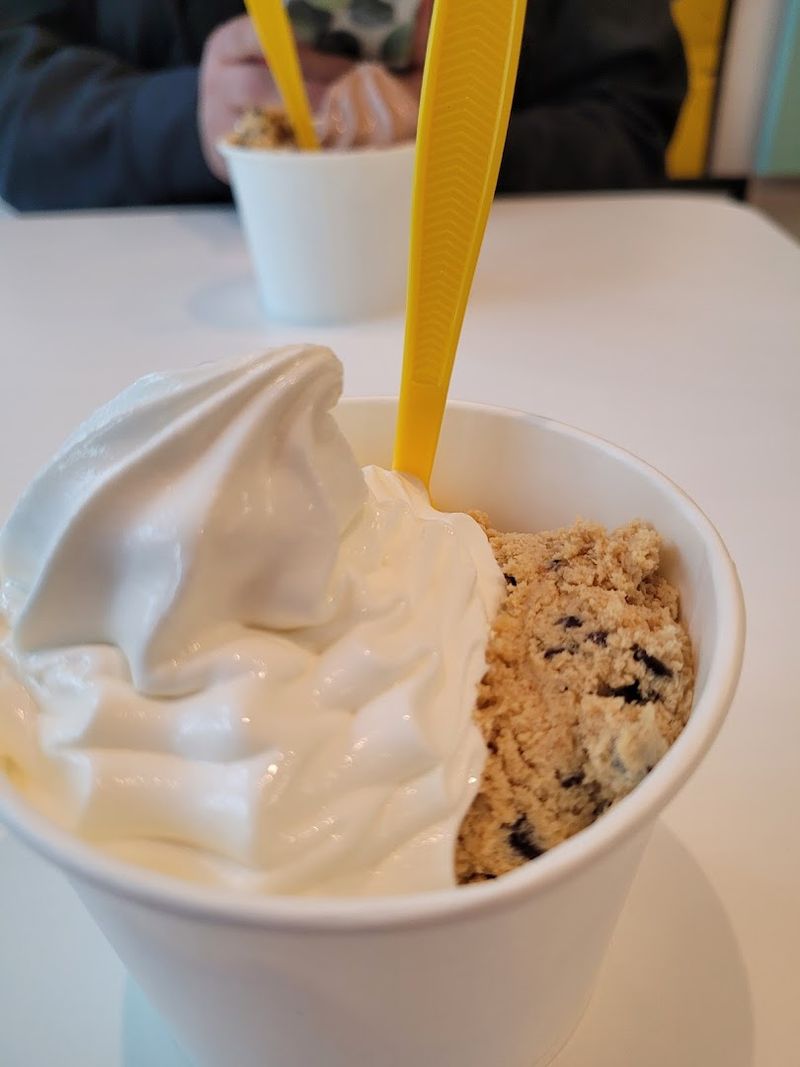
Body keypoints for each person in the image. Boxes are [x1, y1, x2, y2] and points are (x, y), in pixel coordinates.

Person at [0, 1, 687, 212]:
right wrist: (184, 118)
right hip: (139, 290)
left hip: (517, 295)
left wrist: (466, 135)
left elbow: (633, 113)